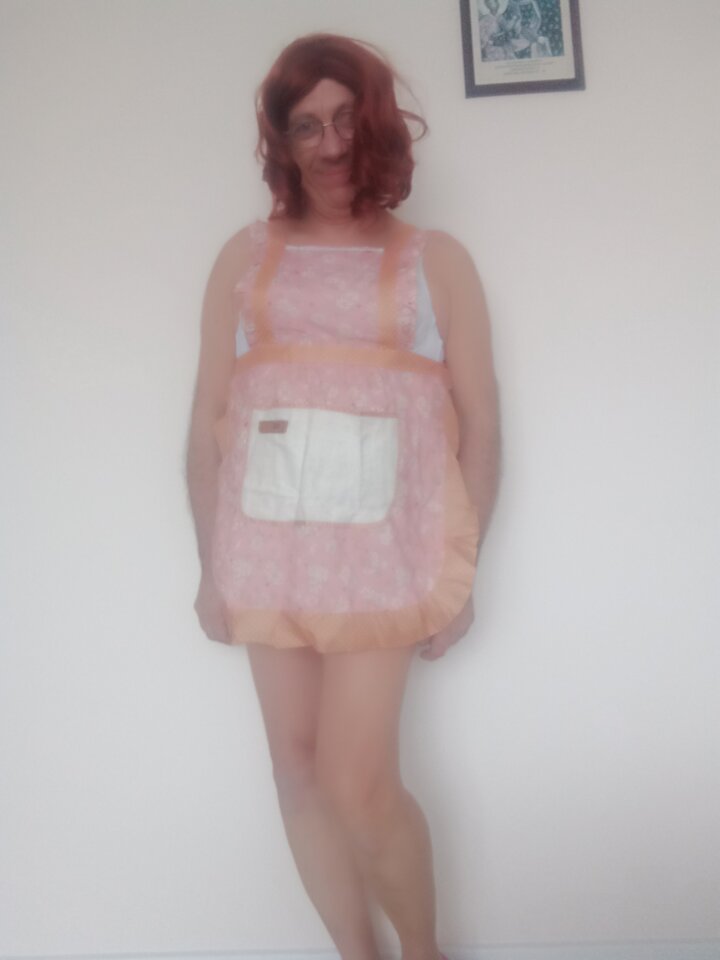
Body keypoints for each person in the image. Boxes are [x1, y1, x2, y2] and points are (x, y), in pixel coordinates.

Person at [186, 33, 500, 960]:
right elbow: (207, 423)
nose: (328, 145)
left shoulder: (438, 261)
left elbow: (482, 430)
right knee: (298, 773)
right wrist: (211, 567)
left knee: (360, 783)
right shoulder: (242, 259)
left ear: (379, 125)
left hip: (384, 558)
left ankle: (425, 953)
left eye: (345, 119)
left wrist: (460, 575)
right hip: (264, 547)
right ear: (281, 143)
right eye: (305, 126)